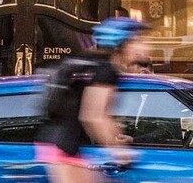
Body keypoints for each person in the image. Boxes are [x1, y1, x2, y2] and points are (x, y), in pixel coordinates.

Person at [37, 17, 148, 183]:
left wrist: (116, 136)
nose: (144, 45)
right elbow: (93, 116)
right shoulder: (107, 69)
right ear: (122, 44)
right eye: (137, 40)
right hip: (64, 147)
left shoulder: (94, 64)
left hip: (58, 143)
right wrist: (119, 151)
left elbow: (101, 115)